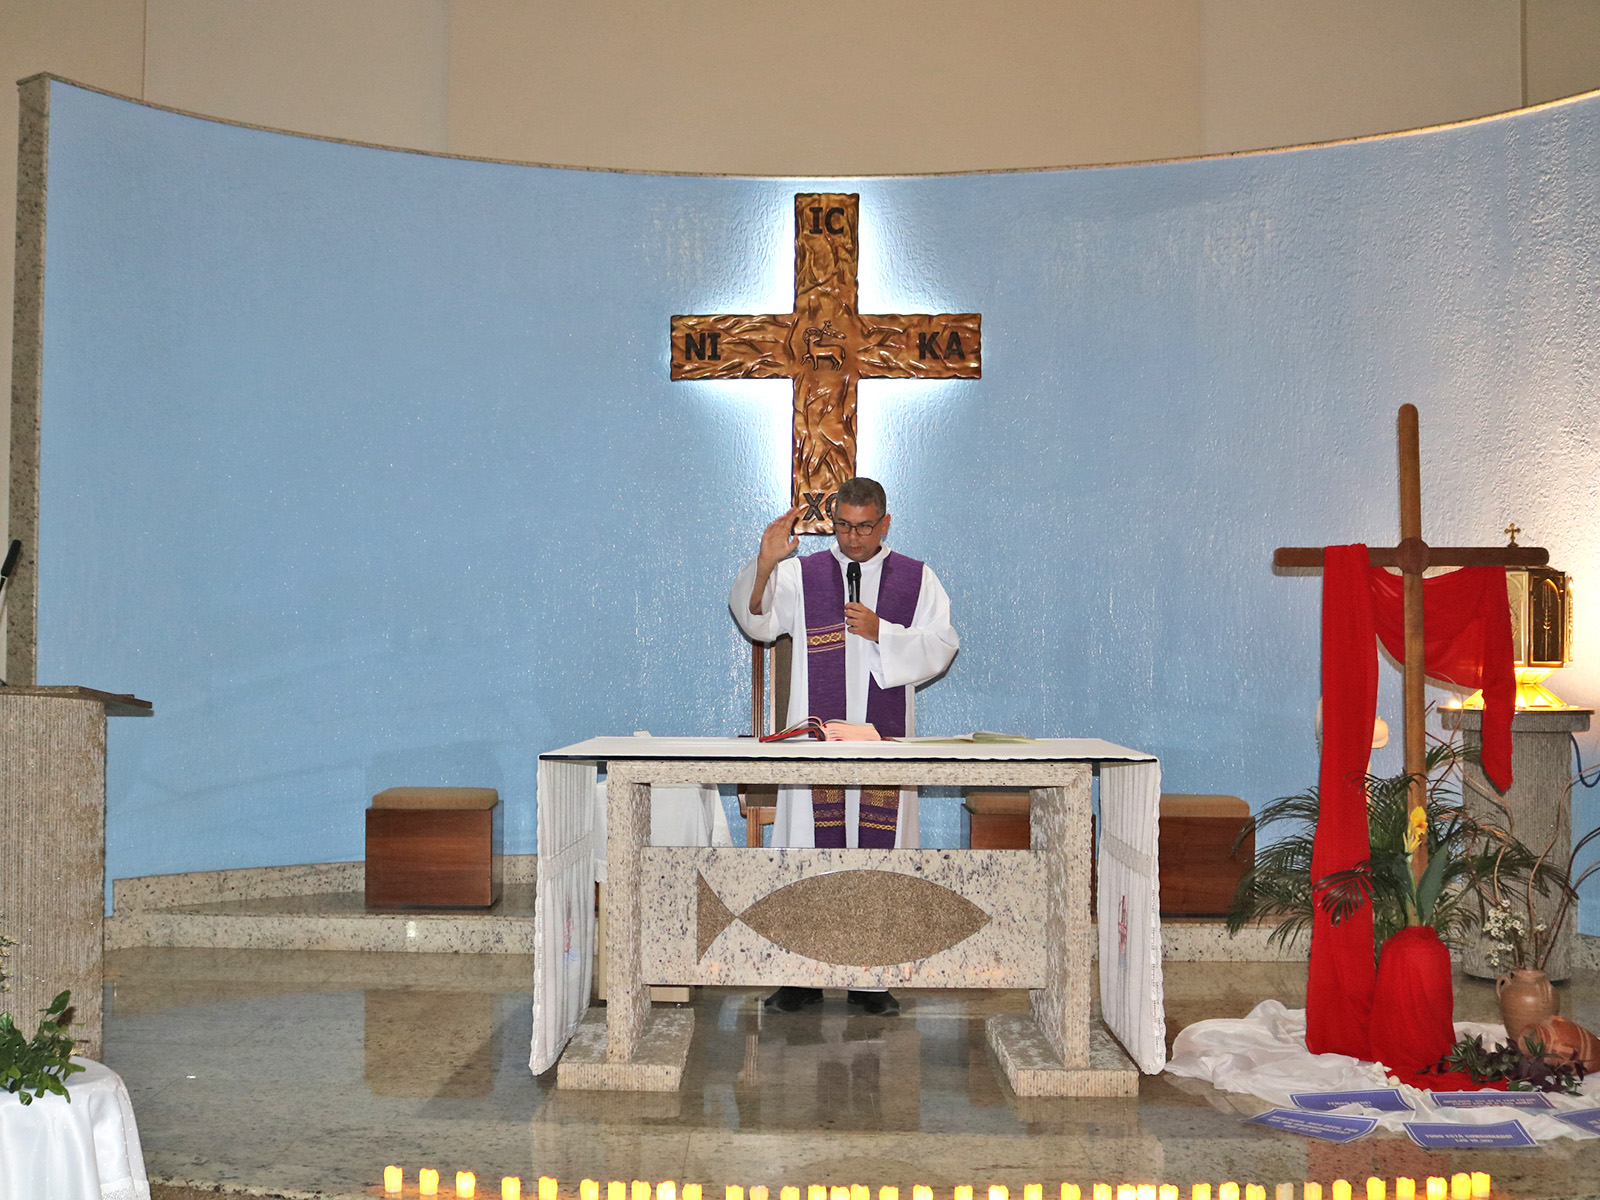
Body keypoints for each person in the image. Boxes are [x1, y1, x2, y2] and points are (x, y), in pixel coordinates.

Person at [729, 476, 959, 1015]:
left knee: (879, 851)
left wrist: (884, 632)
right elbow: (758, 621)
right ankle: (800, 977)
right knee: (809, 847)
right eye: (843, 527)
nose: (853, 539)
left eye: (864, 528)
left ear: (885, 523)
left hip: (883, 745)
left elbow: (943, 644)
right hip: (817, 745)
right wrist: (764, 565)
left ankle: (871, 979)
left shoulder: (916, 579)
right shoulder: (803, 574)